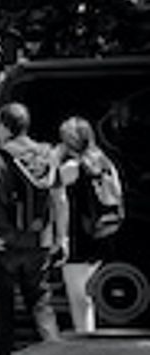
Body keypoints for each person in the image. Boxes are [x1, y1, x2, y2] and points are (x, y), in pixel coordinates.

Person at [0, 102, 65, 355]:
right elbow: (61, 199)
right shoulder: (47, 156)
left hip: (5, 243)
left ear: (4, 126)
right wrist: (61, 237)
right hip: (39, 241)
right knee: (40, 302)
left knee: (4, 305)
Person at [57, 116, 123, 332]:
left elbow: (52, 190)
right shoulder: (105, 161)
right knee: (90, 294)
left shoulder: (72, 167)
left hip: (78, 235)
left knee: (79, 298)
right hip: (103, 231)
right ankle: (91, 335)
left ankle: (85, 341)